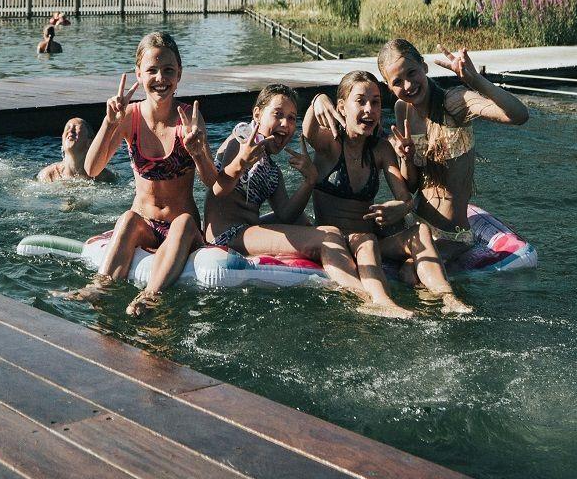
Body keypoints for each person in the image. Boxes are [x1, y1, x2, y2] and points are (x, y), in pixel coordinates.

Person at [203, 84, 413, 317]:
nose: (285, 124)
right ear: (257, 114)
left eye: (292, 118)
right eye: (278, 114)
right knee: (326, 236)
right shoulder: (239, 142)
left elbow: (286, 214)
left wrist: (310, 180)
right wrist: (240, 163)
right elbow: (217, 189)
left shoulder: (272, 170)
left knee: (314, 225)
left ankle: (353, 267)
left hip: (249, 229)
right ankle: (365, 298)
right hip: (228, 233)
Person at [375, 38, 528, 311]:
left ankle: (437, 322)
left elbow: (519, 115)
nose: (408, 85)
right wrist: (407, 158)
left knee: (410, 272)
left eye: (412, 73)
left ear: (424, 67)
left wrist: (476, 81)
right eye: (397, 82)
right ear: (389, 86)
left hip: (451, 236)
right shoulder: (402, 109)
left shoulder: (455, 102)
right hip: (415, 223)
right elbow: (411, 185)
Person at [70, 32, 217, 315]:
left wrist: (198, 152)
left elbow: (212, 182)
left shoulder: (189, 118)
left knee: (185, 221)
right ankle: (98, 287)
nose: (161, 78)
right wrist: (109, 123)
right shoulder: (130, 116)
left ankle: (151, 296)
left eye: (168, 70)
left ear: (179, 74)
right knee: (127, 218)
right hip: (145, 225)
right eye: (152, 70)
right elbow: (91, 169)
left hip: (181, 228)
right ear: (139, 74)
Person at [299, 71, 433, 314]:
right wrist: (317, 100)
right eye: (360, 101)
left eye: (375, 102)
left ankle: (445, 295)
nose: (369, 109)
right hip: (336, 241)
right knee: (367, 240)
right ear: (342, 107)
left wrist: (401, 207)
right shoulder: (330, 143)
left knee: (419, 231)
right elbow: (309, 131)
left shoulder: (381, 149)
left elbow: (405, 197)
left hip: (370, 237)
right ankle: (383, 303)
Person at [34, 117, 117, 183]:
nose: (70, 130)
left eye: (76, 128)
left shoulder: (104, 177)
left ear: (90, 143)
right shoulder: (49, 175)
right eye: (68, 128)